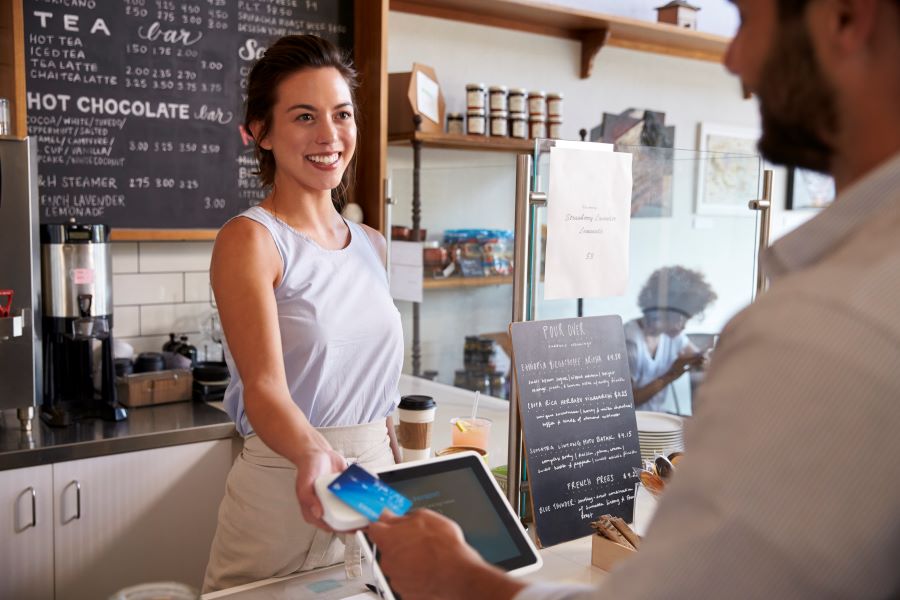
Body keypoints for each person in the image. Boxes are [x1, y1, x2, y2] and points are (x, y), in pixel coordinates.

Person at [367, 0, 900, 597]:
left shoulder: (826, 327)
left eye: (748, 21)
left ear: (846, 18)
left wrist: (461, 580)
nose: (733, 58)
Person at [203, 35, 403, 592]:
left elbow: (378, 395)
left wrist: (405, 472)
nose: (329, 135)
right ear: (261, 132)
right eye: (304, 116)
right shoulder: (250, 240)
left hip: (370, 481)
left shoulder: (372, 244)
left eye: (342, 115)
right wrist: (319, 459)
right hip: (286, 484)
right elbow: (265, 390)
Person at [625, 266, 717, 412]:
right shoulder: (630, 341)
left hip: (657, 420)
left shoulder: (673, 336)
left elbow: (698, 357)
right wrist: (671, 374)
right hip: (633, 425)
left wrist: (704, 358)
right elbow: (629, 401)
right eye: (682, 317)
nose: (684, 326)